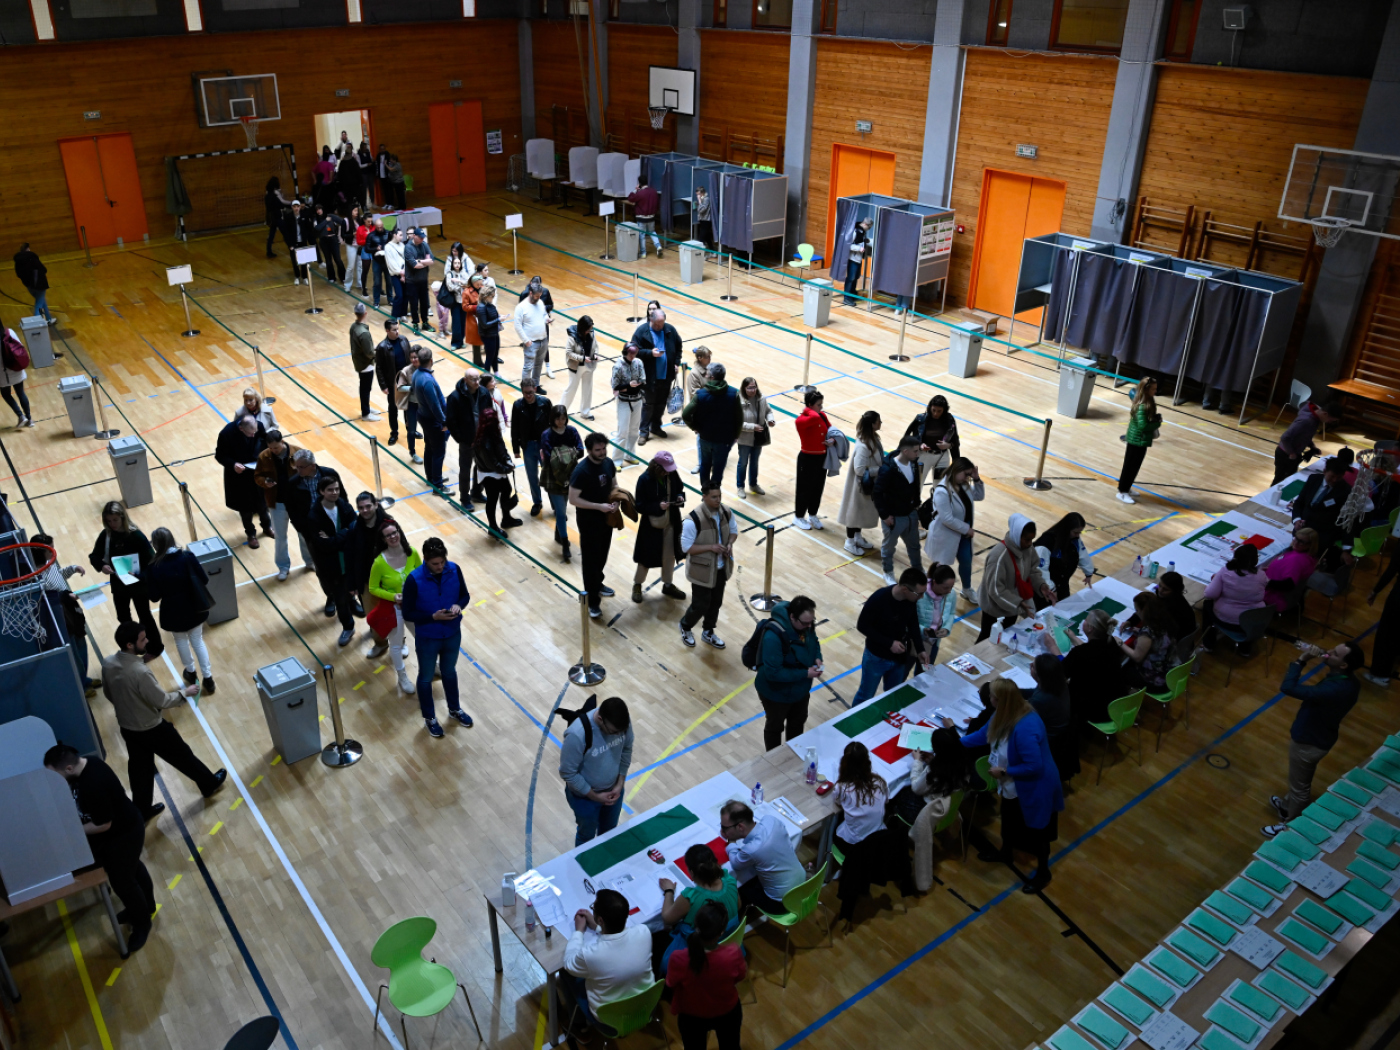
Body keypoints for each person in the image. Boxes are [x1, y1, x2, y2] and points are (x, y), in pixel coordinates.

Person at [945, 679, 1063, 893]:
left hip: (1035, 786)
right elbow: (982, 736)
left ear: (999, 699)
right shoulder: (1002, 712)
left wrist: (1006, 772)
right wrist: (951, 743)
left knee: (1038, 832)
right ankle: (1006, 852)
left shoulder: (1027, 725)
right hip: (1014, 784)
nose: (989, 700)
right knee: (1009, 818)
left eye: (991, 697)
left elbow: (1034, 766)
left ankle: (1043, 873)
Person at [101, 620, 225, 823]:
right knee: (182, 755)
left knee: (140, 770)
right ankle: (209, 783)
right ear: (130, 645)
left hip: (127, 727)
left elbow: (108, 693)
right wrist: (184, 693)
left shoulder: (108, 664)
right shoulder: (140, 672)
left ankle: (141, 810)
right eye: (142, 639)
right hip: (151, 727)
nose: (147, 640)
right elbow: (161, 700)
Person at [43, 744, 156, 952]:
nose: (52, 781)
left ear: (68, 768)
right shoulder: (87, 764)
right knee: (134, 868)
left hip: (124, 833)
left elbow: (103, 824)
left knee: (123, 882)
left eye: (54, 775)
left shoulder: (93, 783)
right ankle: (146, 906)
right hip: (119, 831)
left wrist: (72, 831)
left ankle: (142, 923)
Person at [1262, 640, 1363, 835]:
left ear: (1343, 665)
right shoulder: (1349, 680)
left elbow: (1288, 688)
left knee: (1300, 788)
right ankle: (1286, 807)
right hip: (1320, 734)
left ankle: (1291, 826)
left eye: (1335, 653)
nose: (1328, 651)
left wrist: (1301, 660)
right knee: (1296, 780)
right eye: (1332, 648)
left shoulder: (1334, 689)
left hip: (1309, 742)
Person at [832, 741, 913, 924]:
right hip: (878, 840)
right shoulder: (879, 782)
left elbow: (837, 803)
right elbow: (884, 803)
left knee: (834, 825)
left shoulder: (841, 788)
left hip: (854, 846)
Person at [401, 537, 472, 737]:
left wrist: (459, 605)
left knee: (449, 672)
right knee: (425, 677)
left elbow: (465, 595)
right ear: (425, 560)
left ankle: (454, 709)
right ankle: (430, 718)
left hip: (452, 633)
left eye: (442, 562)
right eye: (435, 564)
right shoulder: (414, 580)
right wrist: (433, 616)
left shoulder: (455, 569)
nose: (440, 567)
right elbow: (408, 613)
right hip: (428, 638)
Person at [905, 727, 982, 891]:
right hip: (949, 809)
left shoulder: (936, 771)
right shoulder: (964, 763)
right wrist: (933, 761)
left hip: (928, 809)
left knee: (899, 796)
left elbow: (917, 788)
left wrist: (917, 762)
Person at [563, 888, 653, 1027]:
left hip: (610, 1019)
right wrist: (598, 927)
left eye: (593, 907)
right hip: (645, 1007)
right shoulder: (643, 932)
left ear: (600, 919)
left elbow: (569, 962)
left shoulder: (591, 954)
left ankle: (579, 1027)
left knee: (565, 973)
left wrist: (579, 931)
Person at [143, 528, 218, 693]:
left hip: (173, 611)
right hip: (194, 607)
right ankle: (208, 678)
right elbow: (204, 579)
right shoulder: (187, 557)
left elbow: (154, 597)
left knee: (181, 641)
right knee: (198, 641)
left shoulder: (154, 567)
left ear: (155, 545)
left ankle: (191, 672)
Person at [665, 900, 746, 1050]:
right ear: (721, 932)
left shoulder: (678, 958)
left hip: (691, 1017)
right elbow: (740, 976)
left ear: (696, 926)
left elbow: (670, 983)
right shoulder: (733, 953)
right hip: (727, 1011)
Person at [89, 502, 162, 657]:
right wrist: (102, 566)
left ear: (123, 517)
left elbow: (152, 561)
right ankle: (132, 648)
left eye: (115, 520)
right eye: (108, 521)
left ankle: (155, 648)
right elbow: (94, 556)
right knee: (123, 617)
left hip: (138, 584)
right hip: (119, 584)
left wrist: (140, 576)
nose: (112, 524)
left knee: (144, 616)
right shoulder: (106, 535)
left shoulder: (136, 536)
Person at [559, 696, 633, 844]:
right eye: (612, 732)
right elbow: (568, 772)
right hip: (585, 799)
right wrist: (595, 796)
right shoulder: (577, 735)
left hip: (614, 791)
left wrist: (620, 784)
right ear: (600, 718)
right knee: (586, 837)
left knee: (609, 833)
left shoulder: (621, 724)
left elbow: (626, 749)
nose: (617, 735)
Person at [753, 595, 823, 750]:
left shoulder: (806, 625)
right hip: (775, 693)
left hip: (799, 690)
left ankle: (794, 753)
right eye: (805, 622)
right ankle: (774, 759)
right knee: (775, 727)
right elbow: (774, 673)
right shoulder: (774, 637)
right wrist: (805, 673)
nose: (809, 625)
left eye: (812, 621)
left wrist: (817, 657)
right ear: (792, 617)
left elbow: (814, 641)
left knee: (798, 723)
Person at [32, 532, 98, 695]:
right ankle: (80, 687)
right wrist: (65, 596)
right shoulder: (35, 576)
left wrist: (72, 569)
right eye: (51, 549)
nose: (55, 552)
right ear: (41, 552)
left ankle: (84, 679)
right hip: (61, 617)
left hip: (71, 610)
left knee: (81, 644)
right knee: (74, 652)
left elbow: (59, 576)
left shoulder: (50, 562)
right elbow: (47, 599)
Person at [853, 567, 929, 704]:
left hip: (899, 658)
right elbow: (862, 626)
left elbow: (913, 624)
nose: (921, 597)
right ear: (905, 589)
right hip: (876, 658)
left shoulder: (911, 600)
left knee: (893, 694)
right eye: (919, 593)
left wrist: (920, 649)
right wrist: (889, 643)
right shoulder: (879, 598)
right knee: (865, 696)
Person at [1047, 607, 1130, 729]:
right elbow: (1093, 652)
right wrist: (1074, 638)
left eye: (1085, 620)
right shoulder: (1111, 642)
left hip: (1094, 709)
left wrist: (1053, 648)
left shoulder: (1080, 653)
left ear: (1090, 628)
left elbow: (1061, 673)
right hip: (1115, 703)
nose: (1083, 622)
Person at [977, 514, 1054, 641]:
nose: (1030, 544)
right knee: (987, 638)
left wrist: (1041, 585)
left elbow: (1033, 571)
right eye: (1027, 540)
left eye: (1032, 540)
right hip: (995, 609)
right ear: (1017, 535)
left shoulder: (1028, 549)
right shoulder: (998, 557)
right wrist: (1017, 604)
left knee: (1004, 637)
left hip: (1014, 604)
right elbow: (995, 590)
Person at [719, 800, 804, 914]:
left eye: (725, 828)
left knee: (738, 885)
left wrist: (731, 841)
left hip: (781, 903)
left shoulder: (752, 849)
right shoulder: (771, 820)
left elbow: (735, 863)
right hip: (803, 884)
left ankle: (740, 920)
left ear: (740, 827)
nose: (722, 830)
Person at [367, 519, 422, 695]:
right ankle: (402, 677)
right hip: (394, 609)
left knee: (422, 638)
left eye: (394, 532)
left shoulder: (412, 552)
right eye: (388, 535)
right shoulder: (379, 562)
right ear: (383, 539)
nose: (393, 537)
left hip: (413, 607)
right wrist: (393, 596)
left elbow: (422, 575)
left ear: (400, 532)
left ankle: (429, 667)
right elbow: (373, 588)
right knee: (396, 645)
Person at [571, 433, 621, 618]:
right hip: (589, 521)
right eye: (598, 450)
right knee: (590, 561)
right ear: (590, 450)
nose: (602, 452)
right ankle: (592, 601)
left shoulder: (608, 463)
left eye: (604, 449)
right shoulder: (581, 471)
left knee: (602, 555)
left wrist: (615, 500)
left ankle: (598, 584)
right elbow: (573, 499)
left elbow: (614, 485)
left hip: (606, 518)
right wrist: (598, 507)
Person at [679, 484, 735, 649]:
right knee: (700, 604)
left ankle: (708, 631)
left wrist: (730, 544)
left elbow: (733, 531)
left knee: (716, 602)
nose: (718, 500)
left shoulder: (726, 512)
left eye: (719, 496)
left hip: (721, 568)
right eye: (714, 497)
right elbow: (686, 548)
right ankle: (685, 626)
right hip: (701, 570)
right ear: (704, 496)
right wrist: (711, 547)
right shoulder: (692, 520)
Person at [924, 456, 985, 603]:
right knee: (940, 567)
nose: (966, 478)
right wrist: (966, 529)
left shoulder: (964, 485)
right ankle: (931, 591)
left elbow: (979, 496)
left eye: (969, 475)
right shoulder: (942, 491)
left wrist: (976, 479)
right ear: (956, 470)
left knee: (966, 562)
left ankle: (967, 589)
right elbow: (947, 519)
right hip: (947, 535)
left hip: (963, 535)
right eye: (965, 474)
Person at [632, 451, 687, 603]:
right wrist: (657, 506)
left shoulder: (672, 473)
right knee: (646, 558)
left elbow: (679, 488)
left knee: (669, 556)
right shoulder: (644, 479)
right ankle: (637, 585)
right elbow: (639, 505)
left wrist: (679, 496)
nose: (668, 472)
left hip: (671, 522)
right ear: (656, 467)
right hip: (651, 526)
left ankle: (668, 585)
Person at [308, 475, 357, 647]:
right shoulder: (314, 515)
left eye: (336, 489)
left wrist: (336, 536)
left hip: (350, 559)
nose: (335, 492)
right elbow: (324, 544)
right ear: (321, 492)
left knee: (357, 589)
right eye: (330, 490)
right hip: (332, 564)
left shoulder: (343, 505)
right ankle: (348, 627)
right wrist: (345, 534)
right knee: (339, 599)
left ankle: (354, 603)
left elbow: (355, 526)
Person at [873, 435, 925, 586]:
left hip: (910, 514)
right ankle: (888, 572)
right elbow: (877, 493)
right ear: (905, 451)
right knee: (889, 548)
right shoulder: (888, 469)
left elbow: (915, 485)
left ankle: (918, 569)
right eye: (915, 451)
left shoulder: (913, 464)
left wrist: (916, 504)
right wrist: (884, 515)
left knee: (914, 545)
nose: (918, 454)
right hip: (894, 517)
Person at [682, 363, 743, 490]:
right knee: (718, 468)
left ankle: (705, 493)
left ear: (711, 376)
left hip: (705, 437)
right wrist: (736, 435)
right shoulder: (734, 394)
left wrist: (694, 427)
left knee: (705, 465)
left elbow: (686, 414)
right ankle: (715, 493)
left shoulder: (701, 394)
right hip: (724, 439)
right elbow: (739, 418)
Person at [215, 415, 271, 548]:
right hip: (238, 475)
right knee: (245, 509)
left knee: (263, 504)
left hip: (256, 471)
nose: (253, 435)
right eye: (250, 433)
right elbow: (219, 455)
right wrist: (233, 464)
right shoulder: (226, 434)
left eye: (255, 432)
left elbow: (264, 441)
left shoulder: (258, 427)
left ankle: (267, 527)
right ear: (241, 428)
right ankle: (251, 534)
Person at [1201, 544, 1268, 653]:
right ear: (1255, 560)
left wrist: (1214, 583)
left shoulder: (1225, 571)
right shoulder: (1261, 575)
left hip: (1227, 620)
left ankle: (1208, 643)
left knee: (1207, 604)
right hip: (1253, 621)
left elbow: (1209, 594)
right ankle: (1244, 649)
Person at [1025, 653, 1078, 782]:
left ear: (1039, 676)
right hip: (1061, 735)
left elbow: (1023, 719)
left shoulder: (1041, 700)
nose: (1030, 666)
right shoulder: (1059, 684)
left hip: (1048, 741)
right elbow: (1035, 693)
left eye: (1033, 667)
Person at [445, 366, 491, 514]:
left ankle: (476, 493)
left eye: (478, 379)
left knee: (481, 467)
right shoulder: (455, 397)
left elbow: (489, 413)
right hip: (467, 441)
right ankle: (465, 499)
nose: (477, 382)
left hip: (482, 439)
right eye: (473, 379)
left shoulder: (484, 393)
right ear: (466, 380)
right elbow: (451, 421)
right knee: (465, 470)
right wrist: (461, 439)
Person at [837, 410, 882, 556]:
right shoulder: (864, 445)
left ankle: (857, 537)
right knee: (854, 515)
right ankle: (849, 542)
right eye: (878, 421)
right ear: (872, 424)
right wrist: (879, 470)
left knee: (859, 514)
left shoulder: (872, 438)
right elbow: (860, 469)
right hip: (859, 486)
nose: (880, 423)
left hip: (865, 486)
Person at [542, 406, 584, 561]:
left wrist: (560, 455)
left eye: (563, 418)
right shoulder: (547, 434)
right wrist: (568, 454)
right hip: (553, 477)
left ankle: (559, 533)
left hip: (571, 476)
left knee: (564, 506)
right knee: (561, 512)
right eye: (558, 418)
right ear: (552, 418)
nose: (561, 421)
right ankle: (565, 545)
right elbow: (548, 456)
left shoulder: (572, 431)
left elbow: (581, 450)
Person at [635, 308, 684, 443]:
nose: (659, 326)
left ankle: (656, 427)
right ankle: (643, 432)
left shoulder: (670, 330)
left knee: (661, 403)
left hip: (666, 375)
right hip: (649, 376)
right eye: (657, 324)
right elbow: (634, 350)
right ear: (651, 320)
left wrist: (676, 363)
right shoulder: (642, 331)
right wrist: (650, 353)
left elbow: (679, 346)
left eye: (661, 323)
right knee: (648, 404)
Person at [474, 407, 520, 536]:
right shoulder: (483, 441)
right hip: (489, 474)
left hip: (498, 471)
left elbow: (502, 449)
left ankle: (506, 518)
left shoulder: (493, 433)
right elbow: (492, 463)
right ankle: (492, 527)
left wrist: (508, 460)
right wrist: (507, 468)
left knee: (507, 490)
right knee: (492, 499)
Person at [345, 492, 390, 624]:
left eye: (368, 506)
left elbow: (403, 549)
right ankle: (379, 641)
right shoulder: (353, 529)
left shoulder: (389, 525)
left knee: (393, 614)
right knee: (372, 616)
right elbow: (350, 558)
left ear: (376, 504)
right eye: (361, 508)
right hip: (366, 580)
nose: (365, 510)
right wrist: (352, 584)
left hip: (388, 578)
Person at [511, 377, 553, 518]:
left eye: (530, 392)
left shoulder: (545, 403)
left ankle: (555, 504)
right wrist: (516, 449)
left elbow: (553, 424)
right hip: (528, 446)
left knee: (549, 476)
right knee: (532, 477)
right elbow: (515, 428)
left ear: (535, 389)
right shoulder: (517, 406)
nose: (528, 395)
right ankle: (537, 502)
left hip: (544, 445)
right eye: (525, 393)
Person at [1119, 591, 1176, 692]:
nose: (1136, 612)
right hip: (1169, 671)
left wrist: (1120, 643)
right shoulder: (1164, 620)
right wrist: (1139, 631)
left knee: (1119, 668)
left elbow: (1137, 657)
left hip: (1156, 679)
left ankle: (1129, 694)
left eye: (1137, 610)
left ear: (1143, 610)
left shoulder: (1148, 631)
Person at [413, 346, 451, 497]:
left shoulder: (417, 373)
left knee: (430, 448)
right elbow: (434, 405)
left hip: (423, 416)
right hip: (432, 420)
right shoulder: (427, 380)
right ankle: (437, 485)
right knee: (438, 452)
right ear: (430, 360)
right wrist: (444, 421)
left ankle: (432, 478)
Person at [1116, 377, 1161, 504]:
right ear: (1146, 390)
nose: (1155, 391)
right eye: (1153, 389)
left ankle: (1127, 488)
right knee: (1129, 466)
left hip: (1141, 440)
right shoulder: (1142, 405)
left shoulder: (1149, 401)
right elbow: (1143, 426)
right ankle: (1122, 491)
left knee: (1135, 466)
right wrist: (1157, 424)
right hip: (1136, 440)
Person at [794, 390, 835, 530]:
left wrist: (832, 439)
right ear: (810, 405)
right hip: (807, 458)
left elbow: (831, 430)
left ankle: (812, 514)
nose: (821, 408)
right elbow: (814, 419)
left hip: (821, 458)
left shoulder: (821, 415)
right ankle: (798, 516)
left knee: (818, 488)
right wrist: (809, 410)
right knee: (804, 489)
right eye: (818, 405)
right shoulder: (801, 420)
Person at [903, 394, 960, 493]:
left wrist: (949, 445)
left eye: (939, 411)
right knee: (917, 485)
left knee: (941, 487)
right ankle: (914, 506)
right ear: (929, 408)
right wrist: (919, 445)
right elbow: (907, 436)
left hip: (942, 456)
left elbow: (955, 440)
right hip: (924, 456)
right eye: (933, 410)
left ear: (944, 410)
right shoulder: (921, 418)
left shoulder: (949, 419)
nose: (936, 413)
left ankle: (937, 507)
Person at [1289, 458, 1351, 548]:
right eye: (1332, 476)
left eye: (1339, 477)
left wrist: (1347, 546)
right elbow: (1299, 502)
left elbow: (1345, 519)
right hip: (1301, 530)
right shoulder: (1313, 479)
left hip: (1321, 537)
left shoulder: (1345, 490)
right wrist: (1296, 520)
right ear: (1325, 471)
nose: (1335, 480)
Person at [1036, 512, 1095, 601]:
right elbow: (1040, 569)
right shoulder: (1046, 542)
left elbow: (1083, 554)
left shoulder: (1074, 539)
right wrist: (1050, 589)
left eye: (1079, 533)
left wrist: (1088, 573)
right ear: (1066, 529)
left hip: (1062, 586)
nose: (1078, 535)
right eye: (1075, 532)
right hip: (1044, 590)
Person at [1274, 401, 1336, 485]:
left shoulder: (1316, 419)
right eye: (1331, 420)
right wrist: (1291, 453)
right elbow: (1285, 437)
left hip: (1294, 453)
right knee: (1279, 480)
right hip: (1285, 454)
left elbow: (1304, 436)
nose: (1330, 423)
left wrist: (1312, 447)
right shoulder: (1306, 420)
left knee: (1288, 479)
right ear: (1325, 414)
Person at [374, 319, 411, 446]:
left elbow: (410, 360)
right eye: (394, 330)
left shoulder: (404, 340)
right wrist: (383, 386)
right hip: (392, 383)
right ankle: (394, 433)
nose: (397, 332)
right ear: (387, 330)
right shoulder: (382, 347)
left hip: (405, 381)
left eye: (398, 329)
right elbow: (378, 368)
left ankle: (410, 430)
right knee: (393, 409)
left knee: (408, 407)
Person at [1265, 528, 1320, 612]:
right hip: (1287, 596)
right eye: (1296, 538)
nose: (1296, 543)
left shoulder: (1297, 560)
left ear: (1310, 545)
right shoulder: (1306, 556)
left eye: (1301, 542)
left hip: (1274, 597)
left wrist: (1266, 582)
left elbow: (1288, 585)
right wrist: (1271, 569)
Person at [735, 376, 774, 496]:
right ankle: (740, 486)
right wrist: (753, 427)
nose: (753, 390)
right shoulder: (738, 401)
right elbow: (736, 422)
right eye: (750, 388)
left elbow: (768, 411)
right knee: (743, 463)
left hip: (758, 437)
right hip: (745, 438)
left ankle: (753, 484)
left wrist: (770, 419)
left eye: (754, 387)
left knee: (755, 462)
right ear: (744, 388)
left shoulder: (761, 398)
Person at [611, 342, 647, 466]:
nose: (633, 356)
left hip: (637, 400)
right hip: (624, 402)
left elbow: (643, 380)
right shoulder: (618, 366)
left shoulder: (639, 363)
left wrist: (629, 387)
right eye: (630, 353)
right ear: (625, 352)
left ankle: (630, 454)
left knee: (634, 431)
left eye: (635, 353)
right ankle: (616, 461)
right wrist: (627, 386)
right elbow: (615, 386)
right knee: (622, 432)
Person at [916, 563, 958, 664]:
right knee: (903, 673)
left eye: (951, 587)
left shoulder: (951, 594)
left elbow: (952, 613)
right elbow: (908, 619)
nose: (949, 591)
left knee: (925, 673)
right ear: (934, 582)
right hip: (914, 640)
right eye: (946, 587)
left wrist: (946, 628)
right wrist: (923, 630)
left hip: (933, 642)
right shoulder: (919, 595)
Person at [513, 283, 550, 389]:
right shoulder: (521, 307)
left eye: (540, 296)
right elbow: (517, 326)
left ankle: (536, 386)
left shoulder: (540, 302)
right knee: (528, 367)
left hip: (543, 340)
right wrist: (526, 340)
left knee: (538, 365)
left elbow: (544, 315)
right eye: (537, 296)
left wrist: (547, 319)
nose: (539, 298)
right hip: (531, 342)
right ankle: (526, 389)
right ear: (530, 293)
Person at [1156, 570, 1198, 658]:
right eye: (1160, 586)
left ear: (1175, 591)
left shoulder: (1173, 606)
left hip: (1173, 643)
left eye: (1165, 589)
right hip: (1178, 639)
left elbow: (1161, 629)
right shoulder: (1167, 597)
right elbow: (1149, 607)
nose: (1160, 590)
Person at [563, 315, 598, 421]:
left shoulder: (592, 333)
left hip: (589, 366)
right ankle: (561, 411)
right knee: (571, 389)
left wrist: (595, 354)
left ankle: (585, 412)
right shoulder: (572, 337)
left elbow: (595, 346)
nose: (590, 331)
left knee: (588, 389)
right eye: (588, 329)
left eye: (591, 328)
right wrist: (582, 358)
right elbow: (568, 352)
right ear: (582, 328)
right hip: (576, 367)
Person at [349, 302, 380, 422]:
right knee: (366, 388)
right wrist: (378, 354)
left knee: (365, 388)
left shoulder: (354, 327)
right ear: (365, 313)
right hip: (366, 364)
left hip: (358, 360)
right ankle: (366, 413)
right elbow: (369, 353)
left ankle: (366, 407)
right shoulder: (364, 333)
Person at [1, 325, 33, 427]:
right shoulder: (10, 332)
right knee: (21, 393)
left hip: (3, 374)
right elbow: (20, 347)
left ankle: (21, 416)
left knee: (6, 394)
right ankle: (29, 420)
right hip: (16, 369)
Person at [403, 229, 434, 331]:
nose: (422, 239)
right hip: (412, 281)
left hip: (423, 279)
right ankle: (415, 323)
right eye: (420, 237)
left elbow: (431, 261)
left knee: (424, 303)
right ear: (414, 236)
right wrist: (424, 262)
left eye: (423, 237)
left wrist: (420, 261)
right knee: (414, 303)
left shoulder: (424, 245)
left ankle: (425, 322)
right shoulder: (408, 247)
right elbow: (414, 265)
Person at [627, 174, 664, 257]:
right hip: (652, 216)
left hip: (641, 217)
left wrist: (635, 190)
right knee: (652, 232)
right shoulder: (654, 191)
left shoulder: (640, 193)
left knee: (642, 234)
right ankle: (658, 246)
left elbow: (630, 198)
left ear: (639, 183)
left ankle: (643, 253)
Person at [282, 200, 314, 283]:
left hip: (302, 241)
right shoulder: (288, 217)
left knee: (303, 260)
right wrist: (290, 244)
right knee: (295, 261)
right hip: (293, 242)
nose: (296, 208)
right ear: (292, 207)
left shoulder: (304, 216)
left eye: (297, 206)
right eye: (294, 206)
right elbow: (286, 233)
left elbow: (309, 228)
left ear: (300, 207)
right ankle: (297, 276)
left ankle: (304, 277)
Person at [843, 218, 872, 306]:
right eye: (869, 227)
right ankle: (847, 298)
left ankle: (852, 294)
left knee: (855, 277)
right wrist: (859, 248)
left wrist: (864, 241)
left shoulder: (862, 231)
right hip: (853, 258)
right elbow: (848, 245)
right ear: (866, 225)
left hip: (858, 258)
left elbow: (858, 241)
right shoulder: (856, 231)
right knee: (851, 278)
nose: (869, 229)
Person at [314, 204, 346, 285]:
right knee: (328, 260)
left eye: (320, 209)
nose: (319, 211)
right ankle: (331, 277)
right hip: (323, 241)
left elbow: (343, 222)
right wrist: (326, 221)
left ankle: (343, 277)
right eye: (317, 209)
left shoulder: (331, 216)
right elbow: (317, 228)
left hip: (333, 240)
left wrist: (341, 234)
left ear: (323, 209)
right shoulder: (316, 219)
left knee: (338, 259)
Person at [477, 285, 504, 376]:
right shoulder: (481, 307)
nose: (493, 298)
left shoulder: (490, 305)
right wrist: (498, 320)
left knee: (495, 355)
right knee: (489, 357)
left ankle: (496, 374)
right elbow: (484, 324)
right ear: (486, 296)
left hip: (494, 333)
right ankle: (487, 377)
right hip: (487, 335)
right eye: (491, 296)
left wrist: (499, 317)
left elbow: (493, 317)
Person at [364, 217, 390, 306]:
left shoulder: (388, 233)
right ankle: (376, 301)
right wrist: (375, 248)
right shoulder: (371, 236)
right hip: (377, 261)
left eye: (381, 226)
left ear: (383, 225)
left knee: (389, 281)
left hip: (387, 261)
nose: (380, 228)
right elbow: (367, 249)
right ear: (375, 226)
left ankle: (390, 300)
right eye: (378, 227)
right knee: (377, 282)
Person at [263, 178, 291, 258]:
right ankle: (291, 248)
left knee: (271, 234)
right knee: (285, 233)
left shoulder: (267, 196)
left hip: (271, 218)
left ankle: (269, 251)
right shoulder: (274, 197)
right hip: (277, 217)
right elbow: (281, 205)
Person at [384, 228, 407, 318]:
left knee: (405, 294)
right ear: (394, 235)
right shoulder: (388, 247)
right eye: (400, 235)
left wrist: (405, 272)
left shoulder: (402, 245)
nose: (402, 237)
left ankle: (403, 314)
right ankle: (395, 316)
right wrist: (400, 272)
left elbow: (406, 259)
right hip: (395, 275)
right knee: (399, 295)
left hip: (404, 273)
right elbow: (391, 263)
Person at [691, 185, 714, 250]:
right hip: (702, 220)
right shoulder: (703, 199)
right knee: (707, 237)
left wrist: (699, 202)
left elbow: (701, 210)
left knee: (701, 238)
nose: (697, 196)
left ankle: (699, 254)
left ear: (702, 193)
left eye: (698, 195)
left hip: (706, 221)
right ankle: (713, 252)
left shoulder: (706, 199)